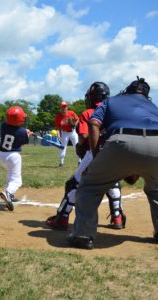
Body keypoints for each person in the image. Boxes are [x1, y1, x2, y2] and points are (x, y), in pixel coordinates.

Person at [67, 77, 158, 249]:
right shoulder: (153, 106)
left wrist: (95, 158)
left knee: (89, 186)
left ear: (127, 90)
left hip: (121, 142)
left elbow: (94, 124)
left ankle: (83, 235)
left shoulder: (112, 100)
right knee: (156, 189)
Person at [46, 82, 126, 230]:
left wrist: (78, 145)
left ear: (91, 97)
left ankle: (62, 219)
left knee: (74, 185)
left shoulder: (88, 112)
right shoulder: (114, 112)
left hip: (94, 153)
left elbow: (83, 136)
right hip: (114, 153)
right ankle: (117, 217)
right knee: (112, 182)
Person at [0, 106, 33, 211]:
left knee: (10, 176)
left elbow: (14, 129)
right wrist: (28, 135)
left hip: (2, 155)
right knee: (17, 181)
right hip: (13, 157)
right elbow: (21, 142)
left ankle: (10, 194)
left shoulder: (3, 126)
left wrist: (23, 132)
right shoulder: (22, 132)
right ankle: (8, 193)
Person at [55, 102, 81, 167]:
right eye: (62, 106)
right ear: (60, 108)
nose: (64, 108)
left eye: (65, 106)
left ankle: (80, 161)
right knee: (63, 147)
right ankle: (61, 162)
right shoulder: (58, 116)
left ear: (67, 107)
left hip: (73, 132)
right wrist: (58, 135)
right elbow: (57, 127)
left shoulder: (71, 113)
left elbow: (77, 119)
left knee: (77, 146)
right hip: (64, 133)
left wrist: (75, 124)